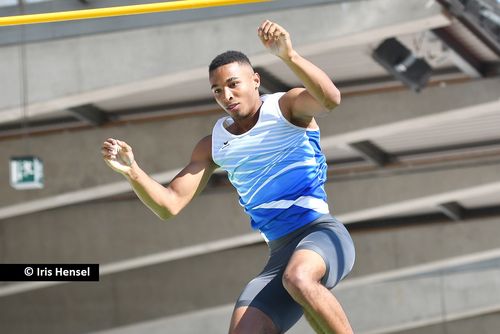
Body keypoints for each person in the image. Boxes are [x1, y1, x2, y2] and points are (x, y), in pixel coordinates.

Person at [101, 20, 355, 334]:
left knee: (299, 278)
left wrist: (289, 56)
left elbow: (330, 99)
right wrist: (133, 172)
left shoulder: (287, 108)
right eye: (218, 90)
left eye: (234, 84)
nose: (227, 95)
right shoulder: (213, 145)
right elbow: (169, 205)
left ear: (256, 80)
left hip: (322, 235)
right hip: (279, 253)